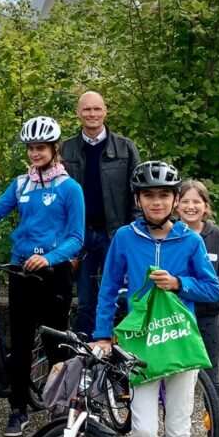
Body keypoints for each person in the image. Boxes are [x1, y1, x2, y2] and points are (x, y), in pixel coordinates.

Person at [93, 161, 219, 437]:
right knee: (144, 429)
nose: (156, 201)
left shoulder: (191, 241)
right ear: (138, 199)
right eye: (149, 195)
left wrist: (180, 283)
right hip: (140, 344)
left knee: (179, 428)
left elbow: (214, 290)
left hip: (179, 341)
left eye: (164, 195)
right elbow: (108, 287)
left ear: (175, 199)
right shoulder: (125, 237)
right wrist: (102, 335)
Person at [0, 116, 84, 437]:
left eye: (41, 148)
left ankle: (61, 406)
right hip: (21, 270)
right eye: (31, 148)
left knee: (56, 345)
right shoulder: (21, 183)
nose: (35, 153)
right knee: (20, 344)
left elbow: (77, 238)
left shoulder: (70, 187)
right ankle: (18, 409)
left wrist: (49, 257)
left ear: (54, 148)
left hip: (54, 273)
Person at [61, 91, 141, 340]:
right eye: (86, 110)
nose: (92, 114)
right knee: (85, 298)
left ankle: (117, 356)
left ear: (105, 111)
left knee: (117, 295)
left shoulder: (126, 147)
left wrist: (136, 230)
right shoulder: (66, 148)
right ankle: (85, 357)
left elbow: (137, 192)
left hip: (114, 233)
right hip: (80, 234)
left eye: (97, 109)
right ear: (78, 113)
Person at [177, 179, 219, 437]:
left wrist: (217, 284)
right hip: (177, 317)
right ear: (176, 205)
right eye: (185, 201)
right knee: (175, 380)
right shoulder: (171, 235)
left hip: (208, 317)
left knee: (211, 381)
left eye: (196, 202)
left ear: (206, 207)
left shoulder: (218, 237)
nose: (191, 206)